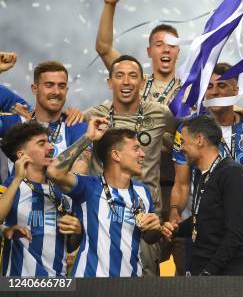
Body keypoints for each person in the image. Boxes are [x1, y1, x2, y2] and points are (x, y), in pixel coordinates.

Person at [95, 0, 184, 274]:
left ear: (179, 51)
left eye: (172, 45)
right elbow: (105, 49)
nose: (166, 50)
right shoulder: (131, 80)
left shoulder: (189, 91)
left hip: (156, 199)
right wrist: (110, 5)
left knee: (147, 276)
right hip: (110, 203)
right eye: (159, 44)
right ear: (150, 52)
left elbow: (188, 142)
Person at [84, 54, 177, 276]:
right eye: (119, 76)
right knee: (102, 276)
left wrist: (173, 209)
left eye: (133, 76)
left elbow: (179, 145)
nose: (126, 82)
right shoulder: (93, 116)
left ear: (143, 82)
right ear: (110, 82)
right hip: (104, 217)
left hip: (147, 216)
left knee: (145, 280)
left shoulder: (161, 114)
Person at [170, 62, 243, 274]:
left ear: (235, 90)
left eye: (221, 86)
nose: (215, 92)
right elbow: (182, 183)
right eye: (210, 87)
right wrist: (175, 211)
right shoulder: (189, 130)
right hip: (206, 227)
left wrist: (241, 179)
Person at [46, 122, 162, 277]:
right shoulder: (89, 186)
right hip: (90, 283)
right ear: (116, 155)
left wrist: (155, 227)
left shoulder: (142, 191)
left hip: (131, 285)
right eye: (136, 149)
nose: (143, 154)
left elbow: (149, 238)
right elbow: (54, 171)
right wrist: (88, 137)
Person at [162, 114, 243, 275]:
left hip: (227, 278)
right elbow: (205, 219)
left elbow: (236, 234)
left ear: (199, 140)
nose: (181, 148)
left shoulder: (231, 173)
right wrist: (176, 229)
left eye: (183, 141)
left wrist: (209, 272)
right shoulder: (203, 175)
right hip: (204, 271)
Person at [0, 121, 82, 276]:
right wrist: (18, 178)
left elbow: (70, 246)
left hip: (58, 281)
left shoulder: (62, 189)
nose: (51, 147)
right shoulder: (11, 185)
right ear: (22, 155)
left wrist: (77, 231)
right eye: (41, 143)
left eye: (49, 142)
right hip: (19, 282)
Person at [0, 61, 90, 175]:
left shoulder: (76, 127)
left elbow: (81, 167)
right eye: (49, 85)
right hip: (15, 192)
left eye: (61, 86)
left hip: (62, 192)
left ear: (66, 90)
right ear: (34, 88)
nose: (56, 91)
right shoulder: (14, 123)